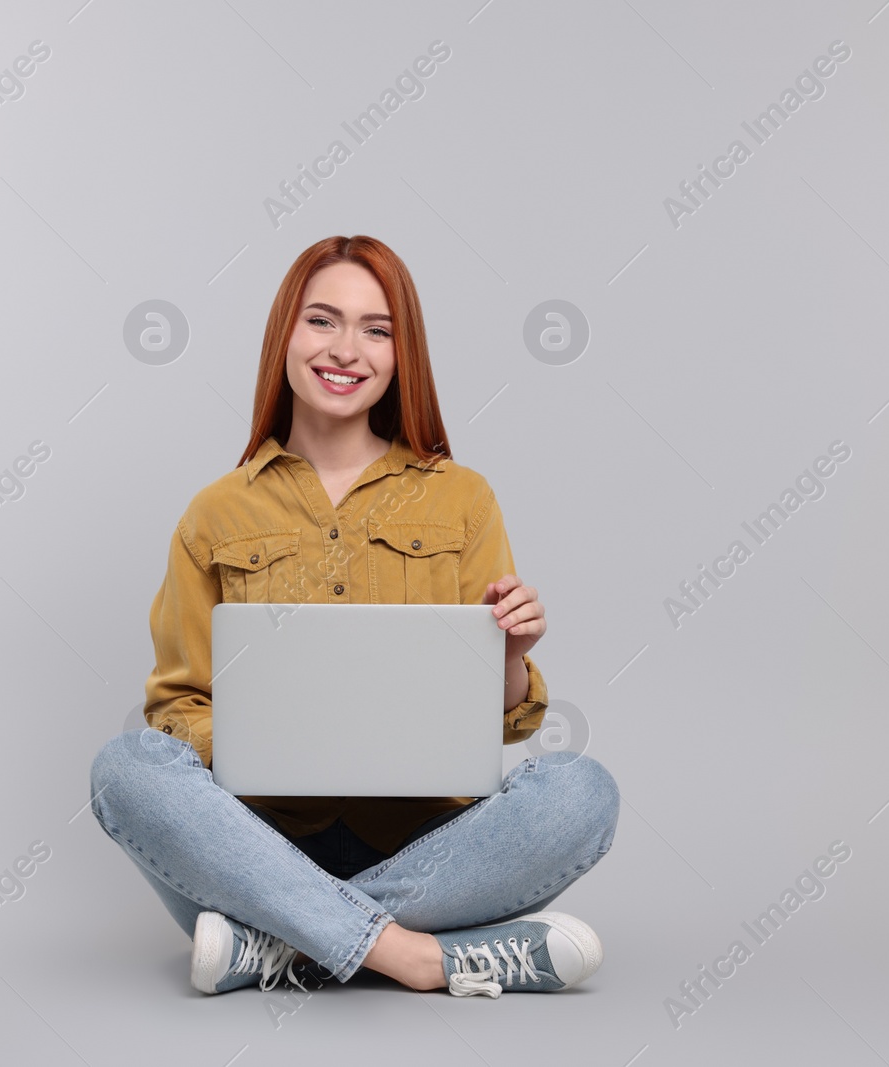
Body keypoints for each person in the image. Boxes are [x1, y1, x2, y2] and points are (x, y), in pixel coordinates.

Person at [89, 235, 620, 998]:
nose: (346, 349)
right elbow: (177, 708)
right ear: (285, 335)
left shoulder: (461, 498)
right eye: (323, 321)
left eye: (377, 329)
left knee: (583, 790)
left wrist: (511, 653)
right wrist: (272, 739)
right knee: (125, 768)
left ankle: (280, 945)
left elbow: (506, 724)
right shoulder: (215, 513)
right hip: (258, 845)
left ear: (404, 354)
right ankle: (420, 957)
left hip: (430, 843)